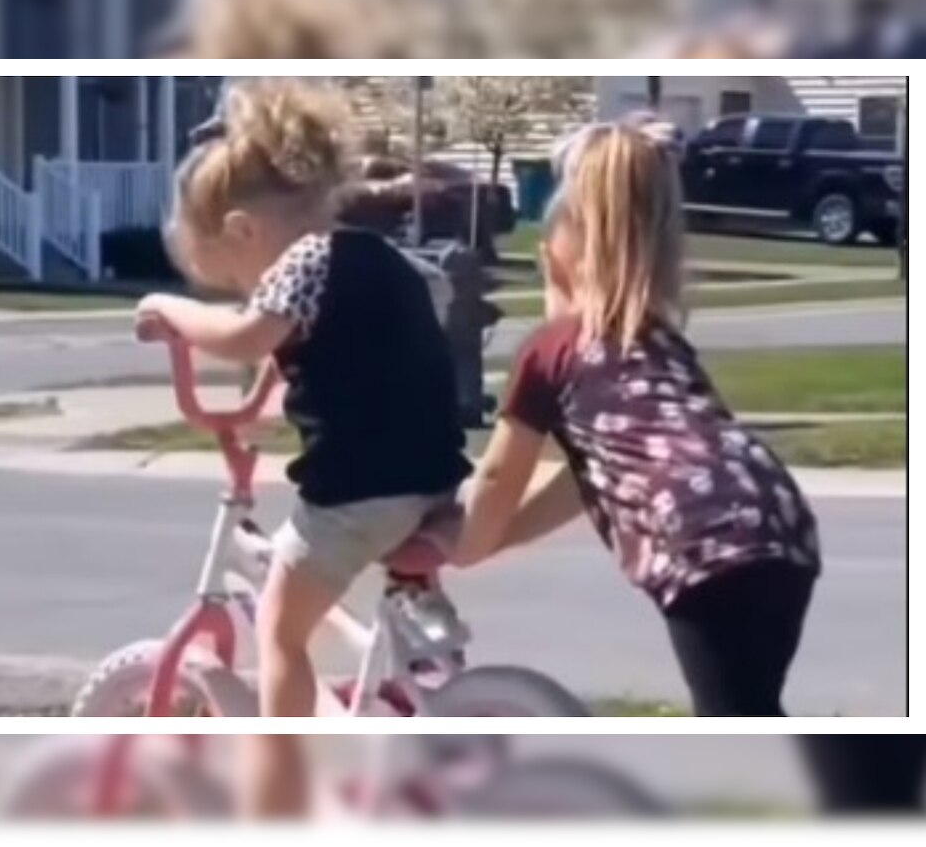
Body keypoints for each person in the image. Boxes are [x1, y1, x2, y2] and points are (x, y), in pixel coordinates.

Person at [135, 78, 471, 812]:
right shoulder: (377, 257)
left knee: (283, 635)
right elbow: (345, 355)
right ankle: (419, 691)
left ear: (245, 230)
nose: (247, 289)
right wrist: (274, 393)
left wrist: (171, 309)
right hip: (433, 480)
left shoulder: (302, 264)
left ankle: (280, 797)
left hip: (360, 493)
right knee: (379, 602)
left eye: (233, 275)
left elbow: (245, 337)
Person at [454, 115, 821, 717]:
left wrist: (458, 548)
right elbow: (585, 481)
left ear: (558, 261)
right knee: (751, 707)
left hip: (702, 541)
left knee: (734, 723)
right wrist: (496, 541)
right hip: (777, 517)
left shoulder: (552, 350)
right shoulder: (660, 344)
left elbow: (496, 480)